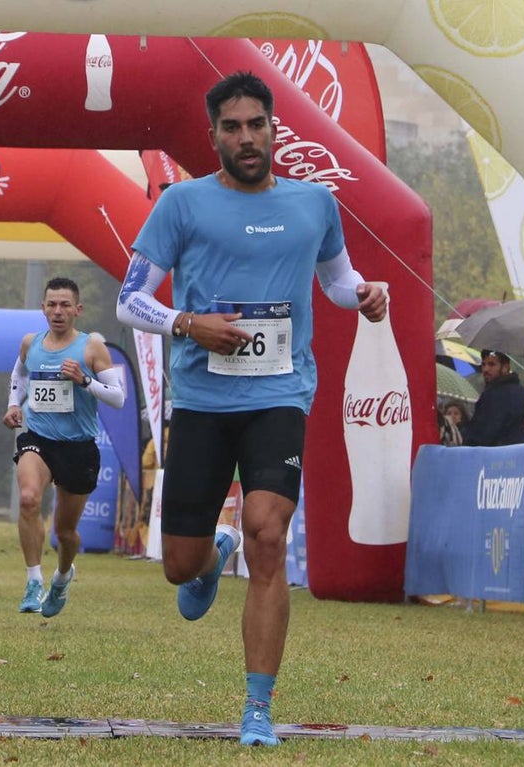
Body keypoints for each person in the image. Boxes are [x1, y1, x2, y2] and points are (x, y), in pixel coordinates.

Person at [115, 71, 387, 747]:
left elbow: (336, 279)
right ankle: (212, 558)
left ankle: (257, 708)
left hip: (280, 393)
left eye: (255, 124)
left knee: (270, 532)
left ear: (274, 131)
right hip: (204, 397)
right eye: (230, 127)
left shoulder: (315, 204)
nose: (245, 137)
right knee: (179, 562)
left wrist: (366, 294)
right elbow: (129, 299)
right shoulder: (181, 205)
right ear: (213, 137)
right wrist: (188, 323)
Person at [2, 277, 125, 617]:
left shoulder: (91, 348)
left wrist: (86, 381)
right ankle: (32, 581)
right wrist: (15, 404)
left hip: (77, 446)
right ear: (43, 308)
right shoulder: (31, 343)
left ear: (77, 310)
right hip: (38, 438)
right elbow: (20, 374)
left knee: (65, 532)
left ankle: (62, 576)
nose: (58, 311)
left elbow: (118, 398)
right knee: (28, 499)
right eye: (51, 305)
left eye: (65, 305)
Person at [460, 350, 524, 446]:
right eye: (483, 365)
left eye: (492, 364)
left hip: (497, 456)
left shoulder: (491, 396)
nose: (485, 369)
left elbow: (482, 433)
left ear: (505, 367)